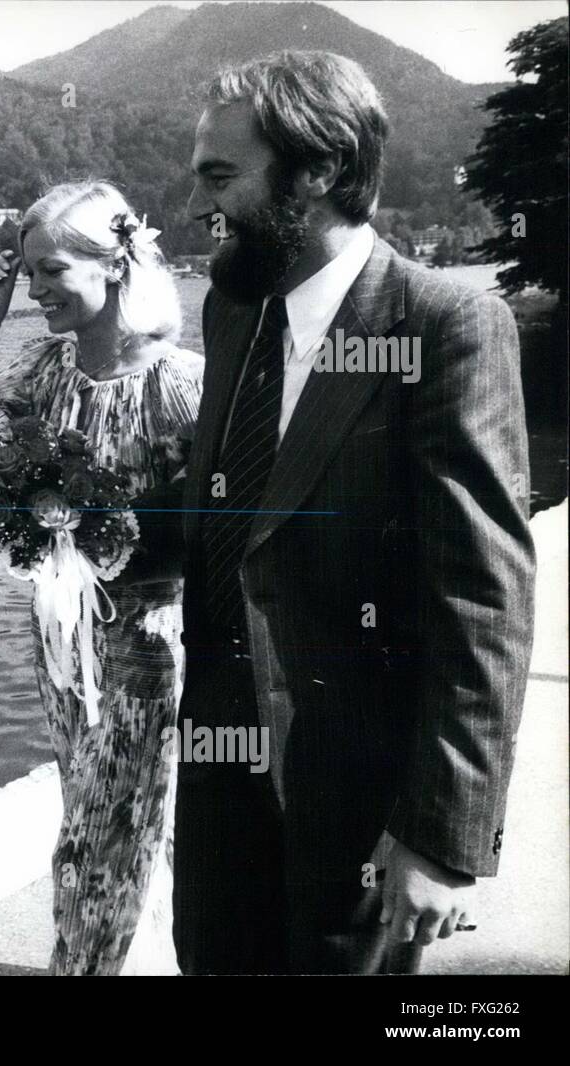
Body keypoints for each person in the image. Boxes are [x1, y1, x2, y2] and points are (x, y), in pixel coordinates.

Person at [177, 51, 535, 974]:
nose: (196, 208)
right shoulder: (231, 310)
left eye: (221, 177)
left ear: (321, 170)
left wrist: (442, 838)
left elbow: (482, 597)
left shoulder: (441, 324)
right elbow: (238, 528)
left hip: (361, 808)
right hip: (223, 780)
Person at [0, 180, 203, 975]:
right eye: (26, 275)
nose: (35, 291)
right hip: (60, 643)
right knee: (114, 820)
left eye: (50, 273)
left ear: (115, 266)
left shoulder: (184, 386)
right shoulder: (46, 371)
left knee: (95, 846)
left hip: (152, 647)